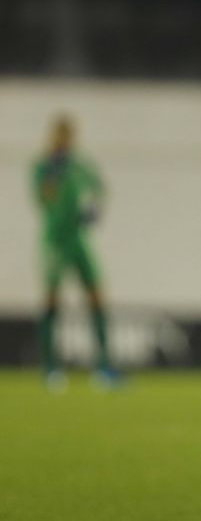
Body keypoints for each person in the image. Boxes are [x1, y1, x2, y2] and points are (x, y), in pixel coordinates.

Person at [33, 114, 117, 390]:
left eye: (68, 136)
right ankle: (49, 368)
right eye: (60, 135)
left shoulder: (79, 166)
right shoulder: (43, 167)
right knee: (51, 301)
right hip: (55, 239)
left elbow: (99, 190)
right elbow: (43, 200)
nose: (65, 141)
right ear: (53, 137)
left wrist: (93, 209)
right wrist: (54, 178)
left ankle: (103, 366)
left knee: (96, 297)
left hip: (78, 239)